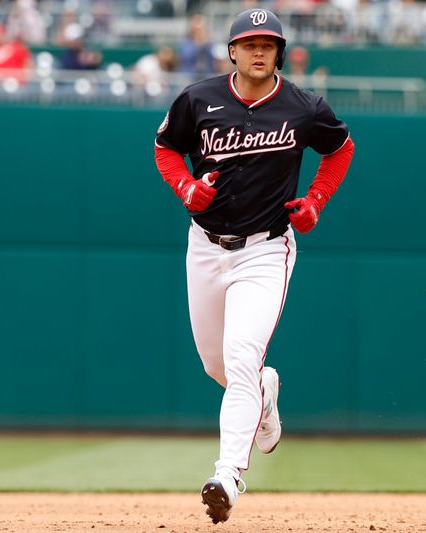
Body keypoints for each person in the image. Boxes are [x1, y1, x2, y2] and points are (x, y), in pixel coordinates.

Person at [153, 8, 355, 524]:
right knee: (217, 366)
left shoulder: (304, 107)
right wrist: (185, 187)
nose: (259, 50)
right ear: (233, 51)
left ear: (279, 52)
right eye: (249, 43)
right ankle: (264, 394)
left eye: (269, 43)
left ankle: (227, 476)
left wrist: (316, 200)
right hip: (205, 245)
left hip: (266, 249)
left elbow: (341, 149)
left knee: (240, 357)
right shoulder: (198, 98)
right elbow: (166, 148)